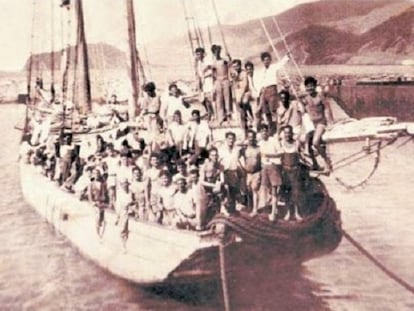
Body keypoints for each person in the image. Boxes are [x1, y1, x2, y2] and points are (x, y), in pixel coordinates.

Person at [299, 76, 334, 173]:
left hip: (320, 123)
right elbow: (297, 96)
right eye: (308, 87)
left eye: (312, 86)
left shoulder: (320, 96)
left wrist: (330, 122)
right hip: (311, 124)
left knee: (315, 142)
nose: (310, 88)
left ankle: (327, 161)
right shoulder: (305, 97)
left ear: (315, 86)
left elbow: (327, 108)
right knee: (305, 144)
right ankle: (315, 164)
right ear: (305, 88)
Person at [257, 52, 290, 134]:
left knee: (273, 110)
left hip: (272, 89)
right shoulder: (262, 71)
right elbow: (261, 82)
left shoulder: (273, 67)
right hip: (265, 91)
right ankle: (270, 128)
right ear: (262, 61)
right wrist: (260, 92)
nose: (266, 62)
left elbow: (281, 64)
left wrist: (286, 57)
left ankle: (277, 127)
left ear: (270, 60)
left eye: (268, 60)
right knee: (266, 111)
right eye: (265, 60)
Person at [258, 124, 283, 221]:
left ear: (268, 131)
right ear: (260, 133)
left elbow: (281, 152)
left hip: (273, 166)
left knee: (274, 190)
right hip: (264, 168)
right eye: (262, 131)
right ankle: (269, 210)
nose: (264, 133)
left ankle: (273, 212)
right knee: (266, 189)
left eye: (265, 130)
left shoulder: (273, 140)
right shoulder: (259, 143)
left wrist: (270, 155)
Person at [280, 125, 304, 221]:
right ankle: (288, 212)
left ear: (291, 133)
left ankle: (297, 212)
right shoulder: (281, 143)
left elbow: (301, 155)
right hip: (285, 171)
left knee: (296, 193)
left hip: (295, 171)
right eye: (285, 133)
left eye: (289, 132)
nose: (287, 134)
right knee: (287, 193)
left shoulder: (296, 143)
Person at [198, 147, 225, 228]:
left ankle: (213, 226)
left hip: (214, 190)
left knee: (215, 208)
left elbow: (222, 179)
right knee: (203, 210)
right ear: (209, 156)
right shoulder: (205, 166)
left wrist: (219, 183)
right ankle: (202, 227)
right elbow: (202, 181)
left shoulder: (220, 166)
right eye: (213, 155)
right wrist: (214, 185)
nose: (215, 157)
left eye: (216, 155)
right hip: (204, 189)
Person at [218, 131, 243, 213]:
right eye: (229, 138)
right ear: (226, 139)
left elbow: (239, 161)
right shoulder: (221, 150)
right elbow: (218, 162)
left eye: (232, 139)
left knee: (233, 192)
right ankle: (224, 209)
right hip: (224, 172)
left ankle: (232, 210)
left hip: (233, 172)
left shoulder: (237, 150)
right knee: (225, 192)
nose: (231, 140)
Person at [239, 129, 262, 216]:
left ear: (255, 138)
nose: (251, 139)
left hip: (256, 172)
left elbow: (262, 160)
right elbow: (237, 158)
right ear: (247, 138)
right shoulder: (244, 149)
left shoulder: (258, 149)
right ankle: (250, 207)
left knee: (254, 190)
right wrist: (242, 166)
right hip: (247, 173)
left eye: (252, 137)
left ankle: (255, 210)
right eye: (249, 137)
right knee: (248, 191)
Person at [230, 59, 252, 137]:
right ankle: (245, 133)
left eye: (237, 66)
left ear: (240, 65)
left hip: (245, 93)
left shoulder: (244, 73)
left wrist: (240, 97)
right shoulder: (234, 74)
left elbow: (245, 86)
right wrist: (234, 98)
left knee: (245, 102)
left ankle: (250, 115)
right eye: (234, 67)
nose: (235, 68)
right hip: (237, 95)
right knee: (241, 115)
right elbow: (234, 86)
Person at [211, 44, 232, 124]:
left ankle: (228, 115)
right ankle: (221, 117)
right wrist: (214, 85)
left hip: (225, 80)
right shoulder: (213, 63)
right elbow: (213, 74)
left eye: (218, 51)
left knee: (227, 98)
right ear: (213, 53)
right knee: (219, 99)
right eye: (215, 52)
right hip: (218, 81)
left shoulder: (224, 61)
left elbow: (230, 64)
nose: (217, 53)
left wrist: (229, 57)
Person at [194, 47, 215, 121]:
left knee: (210, 99)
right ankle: (209, 112)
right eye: (197, 54)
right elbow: (198, 74)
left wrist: (206, 73)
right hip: (203, 83)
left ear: (203, 54)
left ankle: (213, 114)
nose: (198, 56)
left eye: (199, 54)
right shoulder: (198, 63)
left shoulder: (208, 60)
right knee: (203, 100)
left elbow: (213, 70)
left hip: (209, 81)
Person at [87, 169, 108, 237]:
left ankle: (101, 233)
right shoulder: (91, 183)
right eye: (95, 174)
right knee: (98, 216)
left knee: (103, 219)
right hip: (95, 202)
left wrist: (105, 201)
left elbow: (105, 193)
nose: (96, 175)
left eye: (97, 174)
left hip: (101, 202)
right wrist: (92, 202)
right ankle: (97, 233)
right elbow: (89, 194)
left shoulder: (102, 183)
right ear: (93, 175)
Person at [115, 177, 134, 247]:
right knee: (122, 228)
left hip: (130, 210)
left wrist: (131, 206)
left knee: (129, 228)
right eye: (123, 184)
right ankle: (123, 245)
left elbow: (132, 201)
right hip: (123, 211)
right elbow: (118, 205)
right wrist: (117, 216)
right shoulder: (119, 193)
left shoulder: (130, 192)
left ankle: (127, 244)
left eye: (126, 184)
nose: (125, 185)